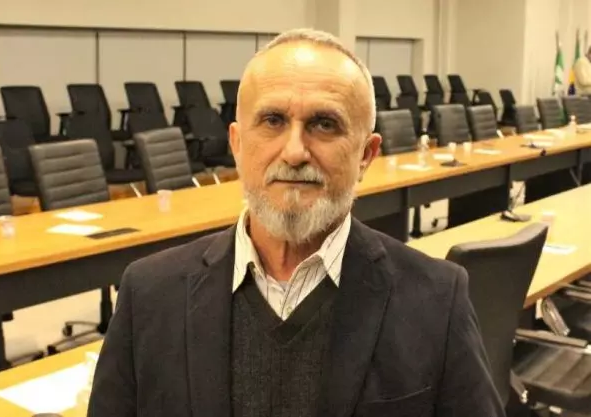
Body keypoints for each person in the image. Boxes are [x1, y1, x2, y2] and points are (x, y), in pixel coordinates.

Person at [88, 28, 504, 417]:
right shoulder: (148, 294)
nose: (294, 152)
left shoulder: (438, 299)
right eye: (272, 121)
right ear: (236, 144)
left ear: (366, 155)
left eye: (325, 124)